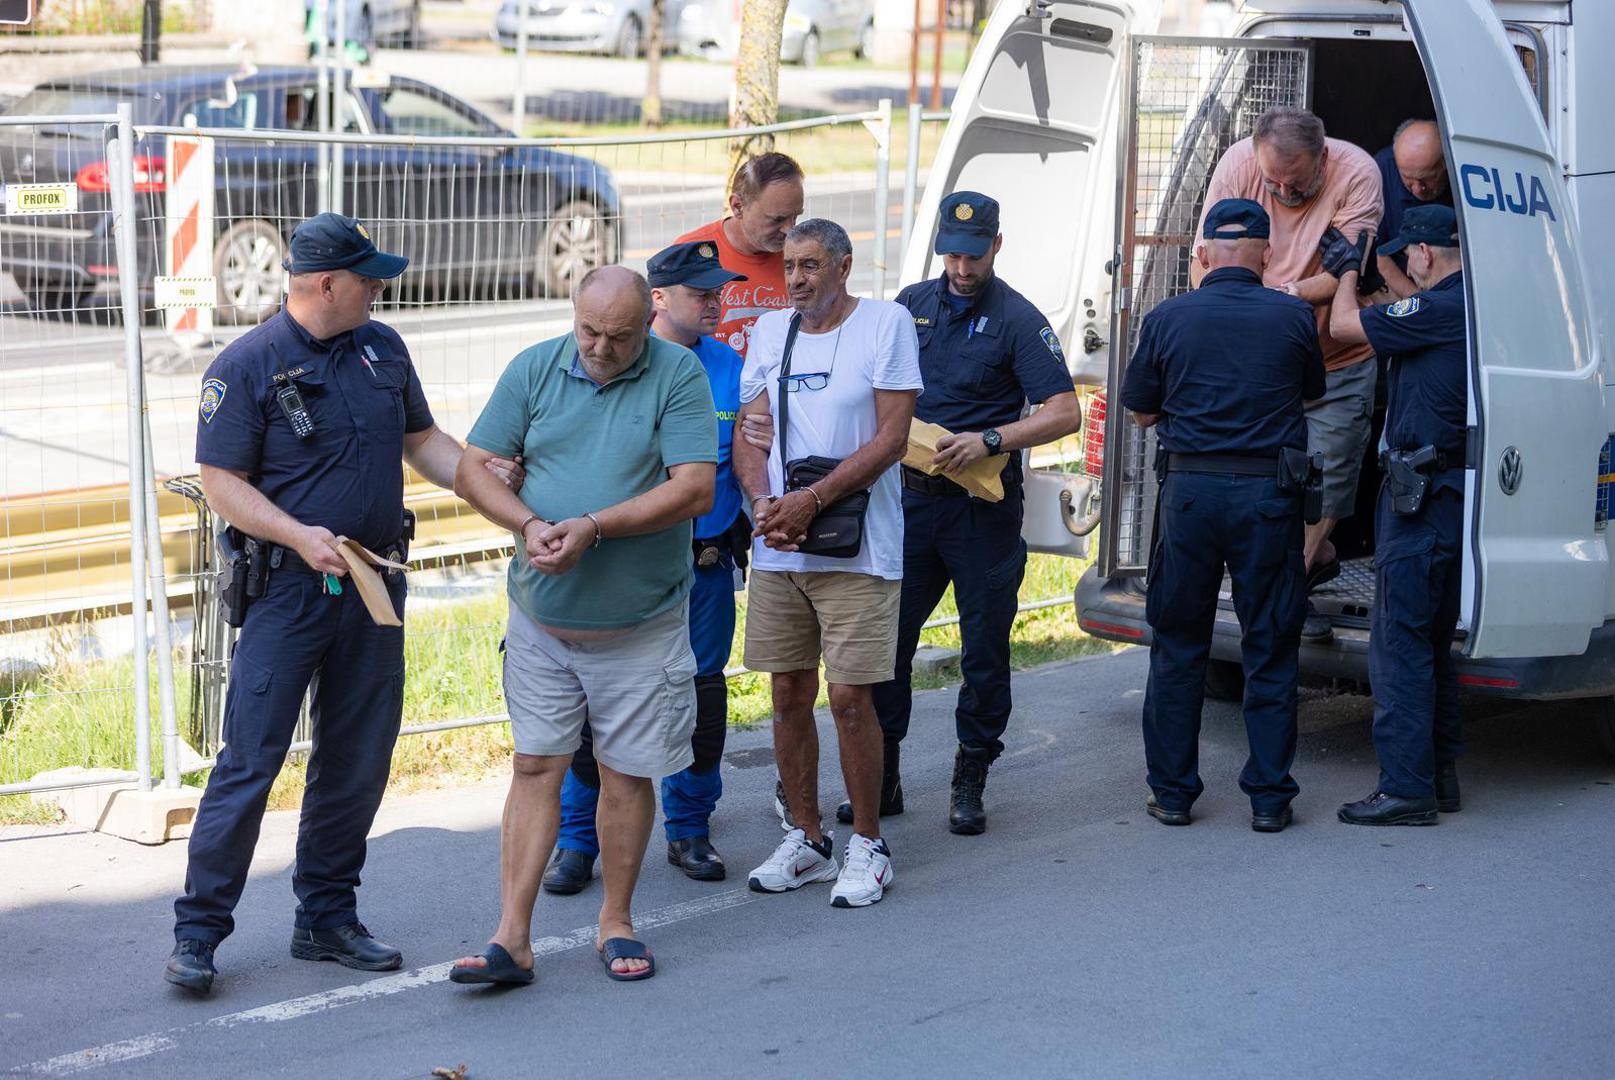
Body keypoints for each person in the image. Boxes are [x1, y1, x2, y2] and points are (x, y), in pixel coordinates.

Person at [166, 213, 523, 995]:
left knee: (356, 758)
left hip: (371, 583)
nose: (380, 289)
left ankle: (325, 918)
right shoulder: (247, 364)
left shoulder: (381, 347)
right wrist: (298, 536)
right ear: (326, 284)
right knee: (250, 760)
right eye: (368, 279)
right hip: (291, 589)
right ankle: (198, 933)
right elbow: (222, 482)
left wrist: (486, 478)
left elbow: (422, 441)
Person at [448, 266, 716, 985]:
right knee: (535, 764)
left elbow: (694, 487)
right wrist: (530, 523)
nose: (599, 347)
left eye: (618, 336)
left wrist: (593, 527)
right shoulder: (534, 368)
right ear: (574, 315)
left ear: (645, 323)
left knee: (626, 775)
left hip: (640, 622)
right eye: (588, 330)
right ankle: (512, 938)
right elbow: (471, 468)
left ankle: (617, 921)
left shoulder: (678, 373)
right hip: (542, 619)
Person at [841, 190, 1082, 836]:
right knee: (886, 647)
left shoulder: (1016, 319)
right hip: (910, 509)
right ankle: (881, 777)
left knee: (983, 652)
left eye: (972, 256)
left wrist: (992, 439)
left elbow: (1064, 410)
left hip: (981, 513)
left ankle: (970, 775)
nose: (961, 268)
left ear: (995, 247)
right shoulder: (909, 307)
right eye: (951, 254)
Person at [542, 242, 756, 893]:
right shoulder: (603, 363)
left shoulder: (730, 368)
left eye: (718, 290)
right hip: (618, 572)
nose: (715, 302)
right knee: (592, 704)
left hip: (702, 567)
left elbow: (745, 461)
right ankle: (578, 841)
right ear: (657, 299)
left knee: (698, 700)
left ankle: (688, 828)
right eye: (701, 293)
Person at [733, 219, 921, 907]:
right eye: (789, 266)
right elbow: (749, 435)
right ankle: (807, 838)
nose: (797, 279)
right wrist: (763, 503)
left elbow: (892, 439)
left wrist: (810, 499)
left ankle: (867, 844)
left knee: (848, 699)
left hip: (858, 545)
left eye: (811, 265)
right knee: (786, 692)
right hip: (780, 542)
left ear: (844, 266)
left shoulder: (885, 325)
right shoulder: (768, 333)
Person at [1121, 199, 1325, 833]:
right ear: (1266, 252)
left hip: (1190, 495)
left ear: (1203, 254)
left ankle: (1174, 793)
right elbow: (1311, 392)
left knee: (1179, 643)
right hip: (1268, 496)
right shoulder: (1293, 315)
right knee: (1270, 642)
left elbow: (1143, 411)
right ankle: (1268, 798)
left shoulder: (1168, 316)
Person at [1195, 106, 1383, 641]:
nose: (1281, 190)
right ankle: (1303, 571)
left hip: (1337, 359)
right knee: (1259, 480)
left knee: (1327, 476)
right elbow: (1203, 259)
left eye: (1295, 182)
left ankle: (1274, 608)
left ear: (1322, 157)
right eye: (1272, 180)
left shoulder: (1358, 173)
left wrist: (1283, 298)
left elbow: (1345, 271)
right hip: (1257, 359)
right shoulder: (1237, 164)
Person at [1323, 206, 1467, 826]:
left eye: (1410, 255)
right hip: (1450, 493)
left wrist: (1349, 275)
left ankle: (1406, 788)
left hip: (1420, 497)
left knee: (1398, 644)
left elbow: (1345, 324)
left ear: (1427, 254)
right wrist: (1384, 266)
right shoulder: (1464, 303)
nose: (1407, 264)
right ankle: (1438, 778)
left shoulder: (1437, 312)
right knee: (1431, 642)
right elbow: (1414, 303)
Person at [676, 151, 805, 358]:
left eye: (795, 216)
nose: (789, 230)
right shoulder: (692, 252)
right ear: (737, 206)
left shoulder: (803, 255)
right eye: (776, 219)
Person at [1373, 119, 1452, 300]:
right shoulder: (1381, 170)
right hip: (1395, 286)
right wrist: (1418, 303)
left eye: (1427, 179)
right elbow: (1376, 255)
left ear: (1446, 164)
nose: (1417, 189)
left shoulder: (1462, 173)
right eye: (1407, 179)